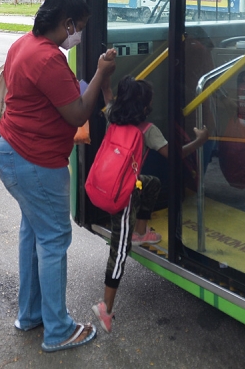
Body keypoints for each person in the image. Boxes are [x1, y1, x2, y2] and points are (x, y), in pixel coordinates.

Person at [0, 0, 116, 353]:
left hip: (12, 149)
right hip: (34, 160)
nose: (80, 34)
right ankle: (58, 329)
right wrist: (101, 74)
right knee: (53, 239)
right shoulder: (47, 59)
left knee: (34, 232)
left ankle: (31, 314)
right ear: (67, 24)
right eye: (81, 28)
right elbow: (78, 113)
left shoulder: (23, 45)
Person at [91, 76, 209, 333]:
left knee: (152, 182)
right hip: (123, 194)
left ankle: (141, 232)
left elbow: (108, 93)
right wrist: (200, 140)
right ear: (144, 107)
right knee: (119, 250)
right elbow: (176, 155)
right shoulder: (148, 130)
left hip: (106, 179)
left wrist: (105, 76)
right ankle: (106, 308)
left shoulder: (113, 114)